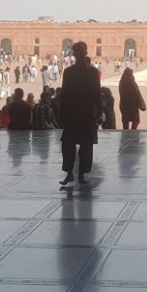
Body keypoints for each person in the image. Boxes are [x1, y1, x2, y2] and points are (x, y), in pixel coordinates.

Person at [59, 41, 101, 185]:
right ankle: (70, 172)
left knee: (86, 145)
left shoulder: (93, 72)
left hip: (87, 112)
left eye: (80, 51)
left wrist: (99, 111)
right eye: (76, 51)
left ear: (85, 52)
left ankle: (82, 173)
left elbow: (97, 93)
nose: (78, 54)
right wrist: (61, 112)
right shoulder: (69, 72)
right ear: (74, 54)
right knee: (68, 144)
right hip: (72, 112)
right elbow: (63, 93)